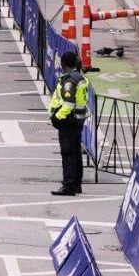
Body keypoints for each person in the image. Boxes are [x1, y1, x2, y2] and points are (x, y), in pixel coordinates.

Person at [48, 59, 92, 196]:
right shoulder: (80, 77)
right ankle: (76, 184)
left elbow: (68, 103)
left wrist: (57, 117)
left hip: (68, 121)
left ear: (64, 64)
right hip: (78, 119)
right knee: (76, 153)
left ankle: (68, 185)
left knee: (68, 154)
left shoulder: (70, 80)